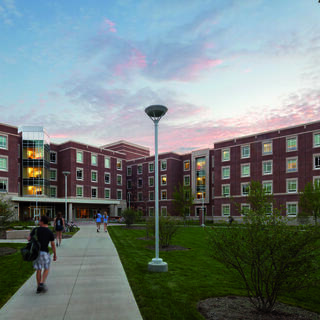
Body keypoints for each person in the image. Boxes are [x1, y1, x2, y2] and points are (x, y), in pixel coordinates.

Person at [28, 215, 56, 294]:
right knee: (46, 268)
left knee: (38, 269)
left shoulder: (35, 230)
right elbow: (53, 244)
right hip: (45, 252)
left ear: (42, 222)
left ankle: (38, 287)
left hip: (36, 253)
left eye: (39, 220)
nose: (38, 222)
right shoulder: (49, 232)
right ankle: (42, 283)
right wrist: (54, 254)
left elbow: (29, 238)